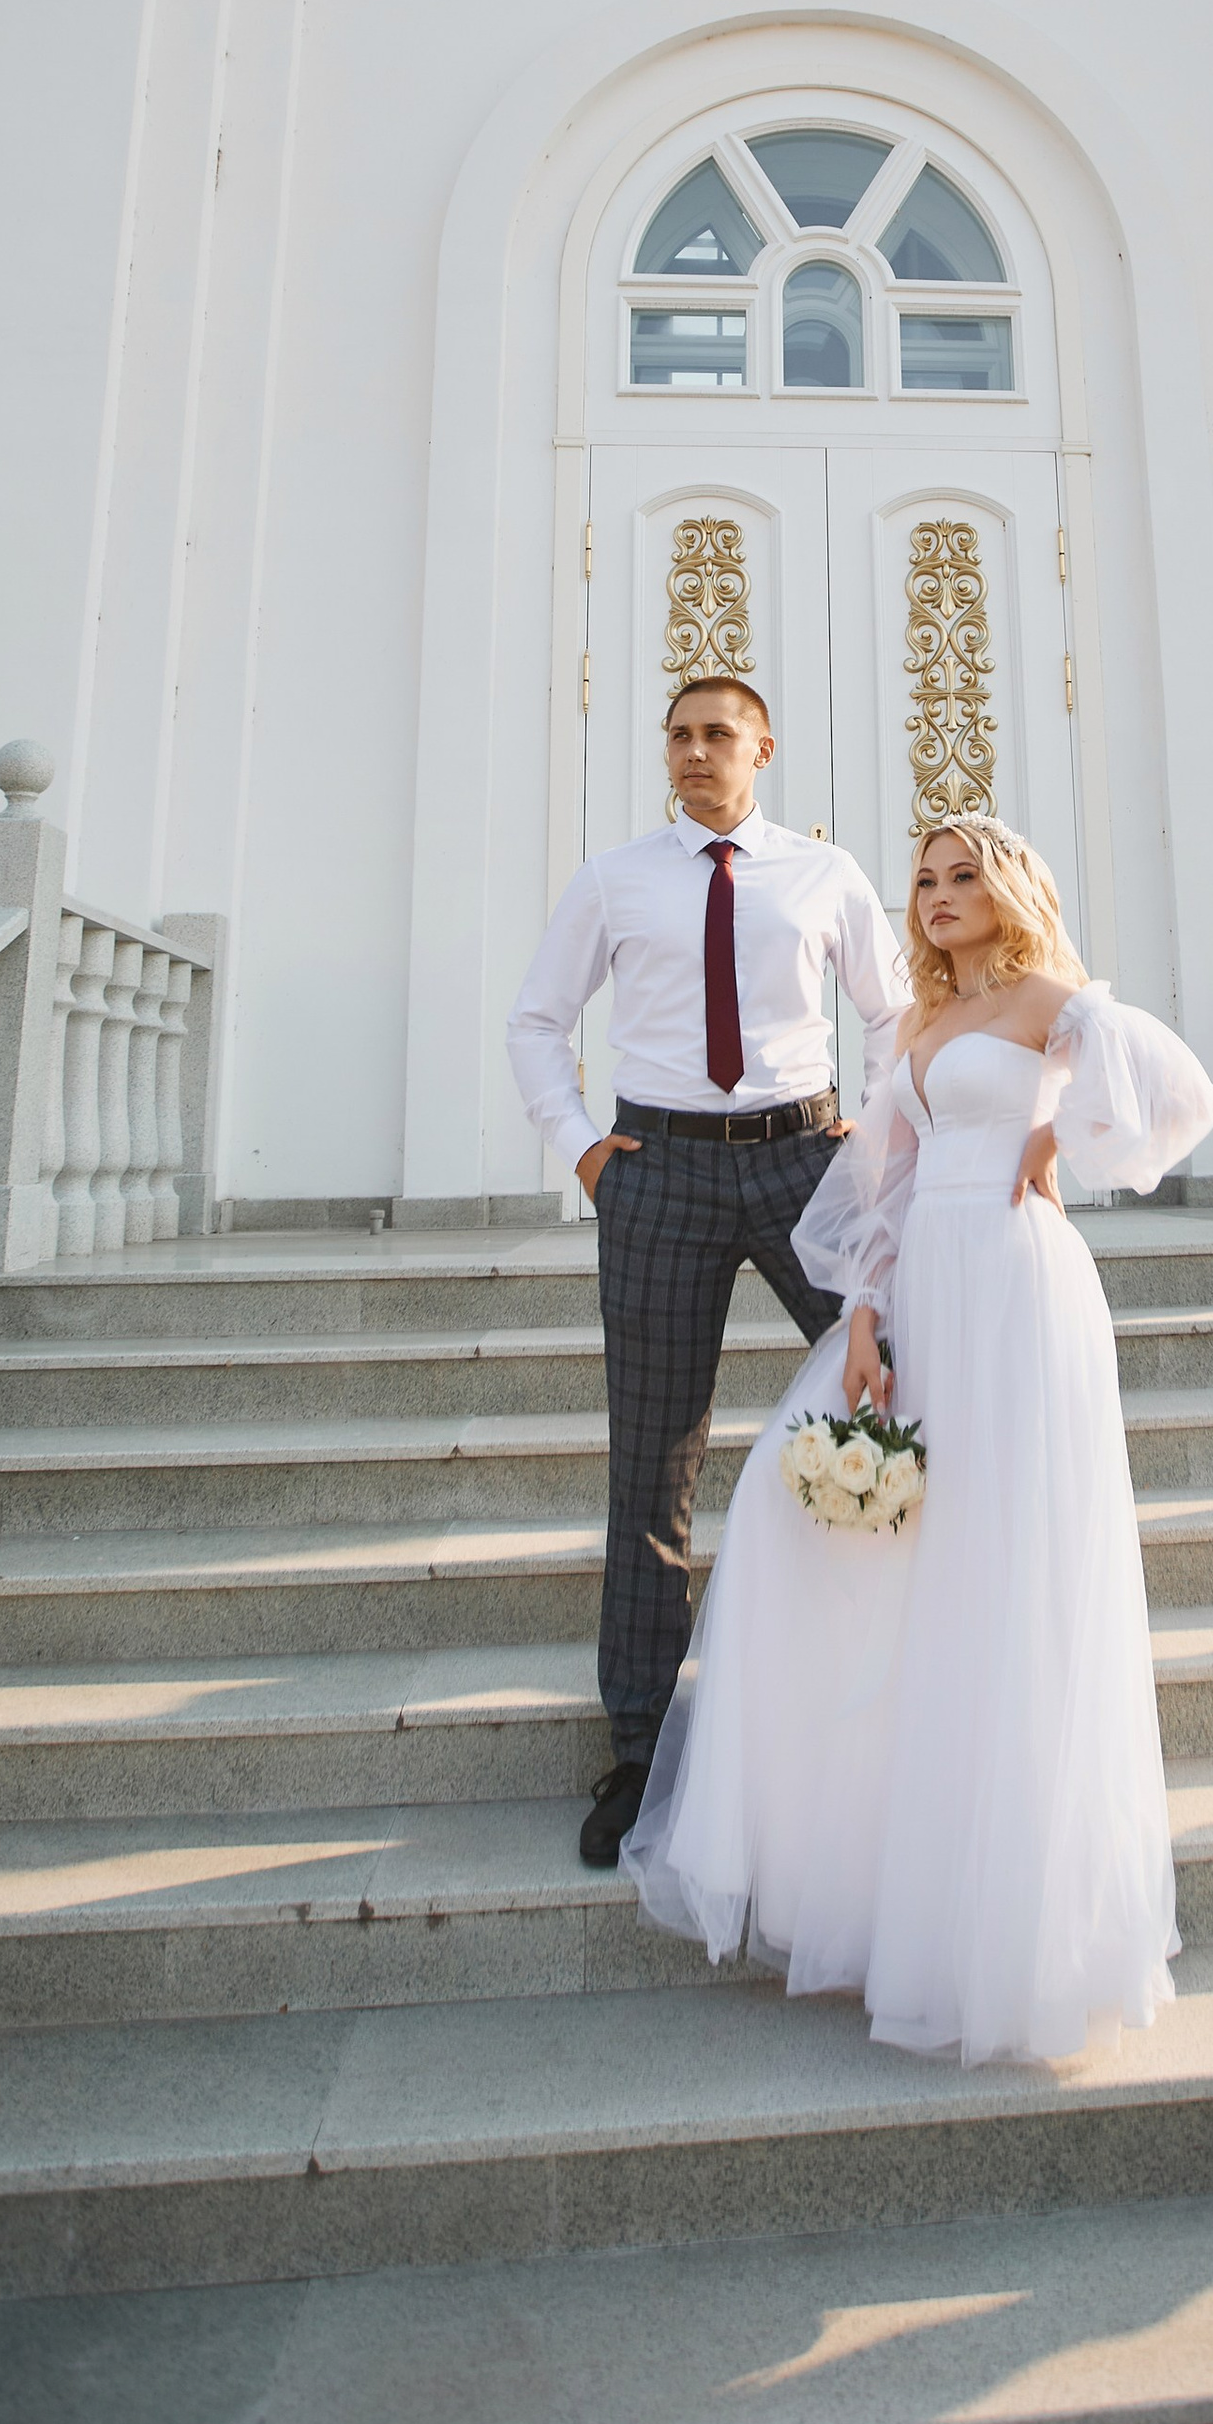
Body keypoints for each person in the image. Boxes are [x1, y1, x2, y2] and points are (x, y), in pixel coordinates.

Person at [623, 814, 1213, 2066]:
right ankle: (884, 1864)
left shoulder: (1047, 1001)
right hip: (922, 1290)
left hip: (1015, 1282)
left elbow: (1173, 1090)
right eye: (925, 881)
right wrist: (862, 1314)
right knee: (826, 1531)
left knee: (1006, 1560)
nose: (939, 895)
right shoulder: (917, 1024)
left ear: (1008, 891)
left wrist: (1057, 1137)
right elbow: (881, 1187)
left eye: (963, 877)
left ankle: (1013, 1920)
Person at [506, 676, 908, 1867]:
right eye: (678, 735)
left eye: (716, 734)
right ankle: (637, 1747)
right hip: (659, 1172)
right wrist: (583, 1151)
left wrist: (873, 1143)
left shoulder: (823, 875)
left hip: (803, 1164)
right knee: (653, 1462)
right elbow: (536, 1021)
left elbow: (892, 1015)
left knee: (895, 1398)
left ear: (761, 749)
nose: (694, 752)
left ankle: (895, 1689)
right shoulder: (614, 879)